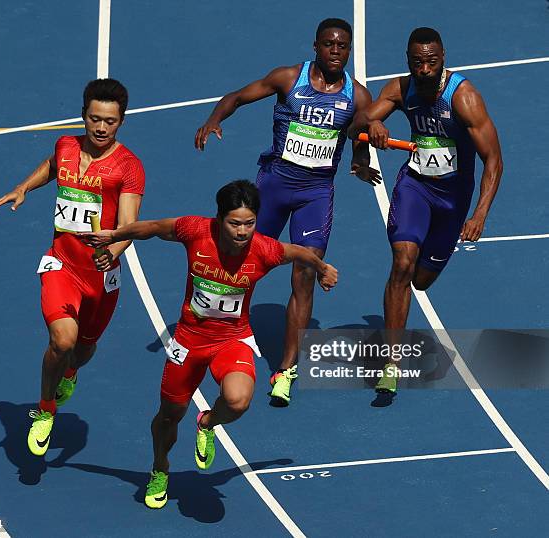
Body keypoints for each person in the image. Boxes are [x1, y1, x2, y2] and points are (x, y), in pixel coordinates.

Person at [80, 180, 338, 509]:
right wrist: (114, 235)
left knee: (238, 401)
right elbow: (155, 228)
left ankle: (207, 422)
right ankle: (160, 468)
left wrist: (322, 268)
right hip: (188, 341)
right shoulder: (195, 230)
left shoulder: (264, 249)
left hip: (233, 339)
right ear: (219, 219)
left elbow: (300, 252)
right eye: (234, 223)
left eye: (249, 223)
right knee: (169, 416)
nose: (243, 231)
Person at [194, 18, 379, 406]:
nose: (335, 51)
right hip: (274, 187)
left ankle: (287, 369)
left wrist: (360, 161)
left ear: (348, 51)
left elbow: (358, 135)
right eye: (328, 44)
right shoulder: (287, 79)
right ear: (315, 46)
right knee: (239, 259)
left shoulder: (357, 97)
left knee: (304, 274)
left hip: (316, 195)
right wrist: (214, 119)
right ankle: (219, 332)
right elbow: (238, 97)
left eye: (342, 46)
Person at [0, 79, 145, 455]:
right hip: (62, 264)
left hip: (102, 275)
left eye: (110, 121)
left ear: (121, 122)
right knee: (62, 340)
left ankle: (71, 373)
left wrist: (114, 248)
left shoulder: (128, 168)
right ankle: (45, 409)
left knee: (84, 347)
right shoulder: (66, 145)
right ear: (84, 115)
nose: (101, 127)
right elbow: (51, 166)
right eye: (95, 118)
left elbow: (128, 226)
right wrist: (24, 187)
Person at [348, 27, 502, 401]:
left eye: (432, 61)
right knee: (402, 263)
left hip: (453, 199)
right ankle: (392, 362)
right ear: (409, 62)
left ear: (443, 58)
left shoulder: (463, 97)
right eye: (418, 62)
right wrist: (374, 125)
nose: (425, 69)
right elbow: (356, 124)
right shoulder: (399, 89)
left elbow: (493, 160)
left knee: (421, 280)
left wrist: (479, 214)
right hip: (415, 187)